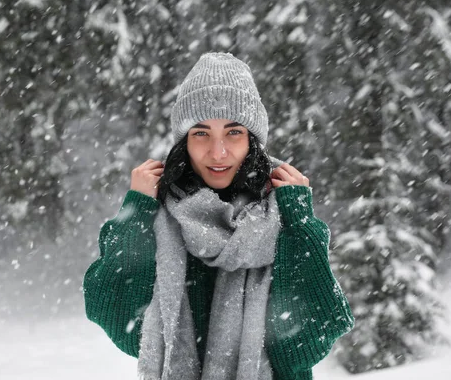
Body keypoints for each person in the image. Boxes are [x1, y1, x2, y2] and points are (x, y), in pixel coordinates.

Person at [83, 52, 355, 380]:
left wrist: (299, 222)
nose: (218, 151)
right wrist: (137, 211)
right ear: (184, 142)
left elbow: (305, 342)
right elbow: (119, 318)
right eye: (201, 133)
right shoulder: (160, 217)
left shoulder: (281, 217)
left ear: (252, 140)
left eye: (233, 132)